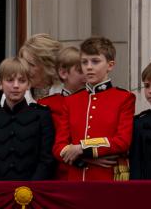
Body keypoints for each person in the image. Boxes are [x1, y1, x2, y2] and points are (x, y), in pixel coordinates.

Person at [53, 37, 135, 181]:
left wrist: (82, 147)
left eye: (95, 61)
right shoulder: (71, 101)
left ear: (110, 65)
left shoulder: (124, 98)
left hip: (108, 178)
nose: (89, 67)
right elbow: (59, 146)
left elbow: (122, 141)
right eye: (84, 62)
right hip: (77, 177)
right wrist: (85, 159)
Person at [0, 57, 55, 181]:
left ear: (28, 84)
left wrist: (30, 189)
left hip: (32, 192)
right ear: (0, 83)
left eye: (22, 81)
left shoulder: (41, 116)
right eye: (10, 80)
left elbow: (47, 160)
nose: (16, 85)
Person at [37, 46, 86, 179]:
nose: (88, 74)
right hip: (56, 174)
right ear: (63, 73)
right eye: (81, 70)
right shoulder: (46, 105)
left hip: (88, 172)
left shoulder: (95, 102)